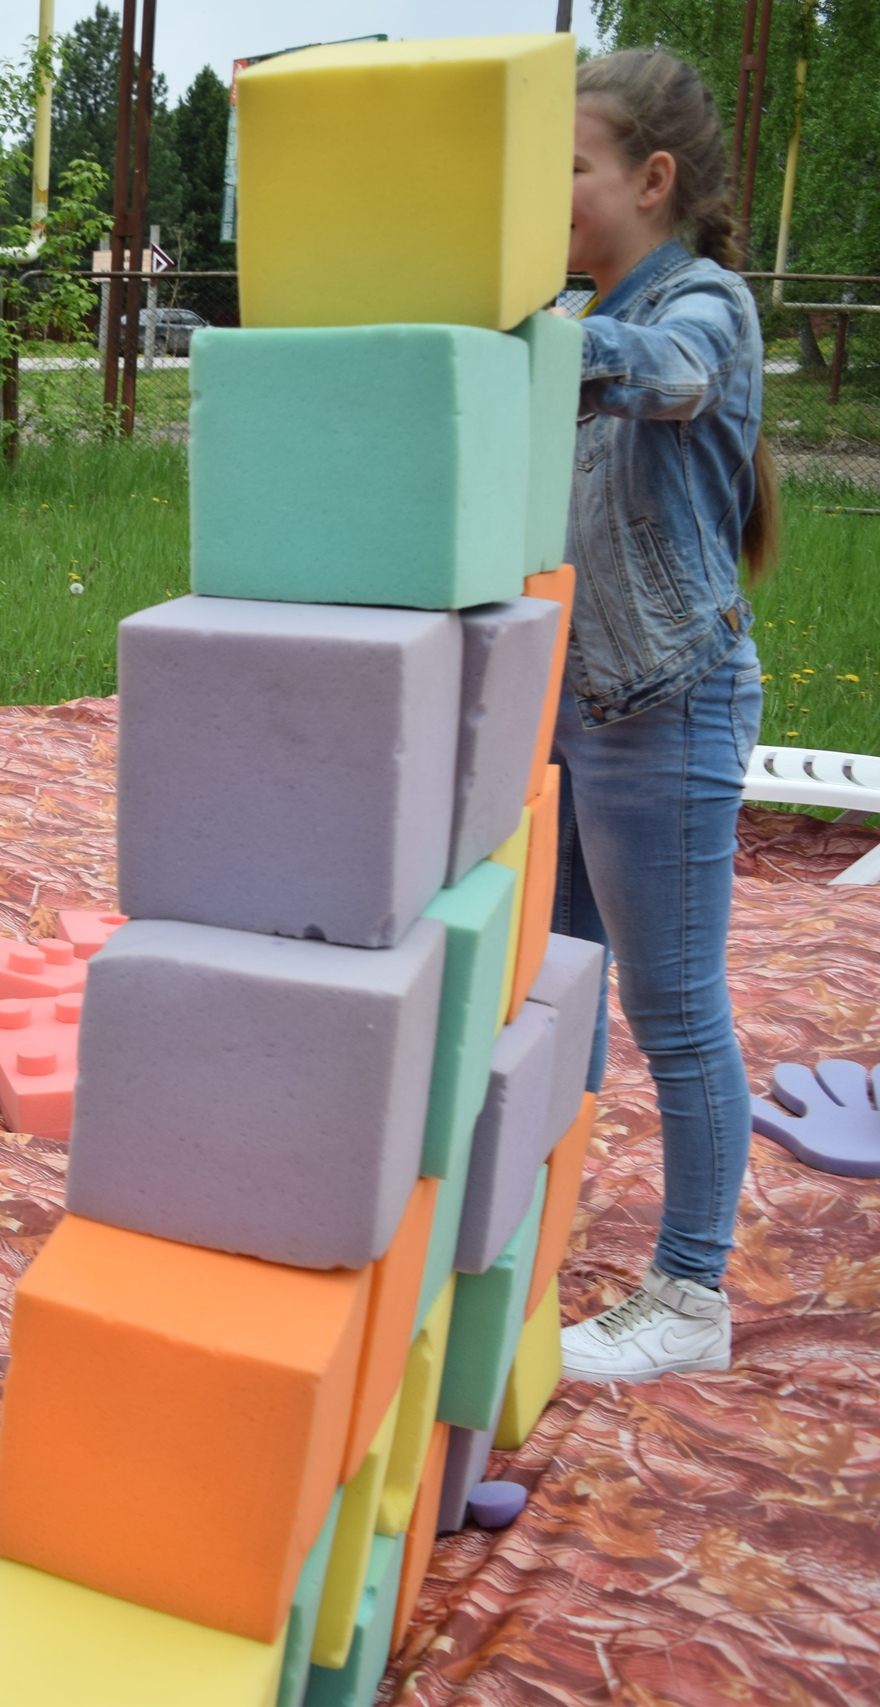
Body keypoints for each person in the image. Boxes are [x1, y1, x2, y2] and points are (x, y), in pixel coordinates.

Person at [553, 48, 778, 1382]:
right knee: (558, 983)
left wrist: (526, 343)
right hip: (572, 708)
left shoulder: (705, 303)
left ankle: (691, 1294)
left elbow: (672, 375)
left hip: (670, 704)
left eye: (567, 168)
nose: (544, 196)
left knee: (674, 1005)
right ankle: (536, 1219)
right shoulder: (570, 310)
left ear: (650, 179)